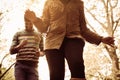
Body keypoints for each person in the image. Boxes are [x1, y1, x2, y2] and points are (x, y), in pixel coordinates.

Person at [24, 0, 114, 80]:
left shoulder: (78, 3)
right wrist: (34, 19)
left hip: (74, 39)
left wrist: (100, 38)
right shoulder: (49, 2)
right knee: (56, 75)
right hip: (52, 42)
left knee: (77, 65)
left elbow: (84, 29)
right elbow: (43, 27)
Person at [9, 14, 44, 80]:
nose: (28, 25)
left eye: (30, 23)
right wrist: (20, 46)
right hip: (20, 66)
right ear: (24, 21)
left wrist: (39, 53)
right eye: (26, 23)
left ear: (33, 22)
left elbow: (43, 51)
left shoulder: (39, 35)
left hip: (33, 66)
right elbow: (11, 51)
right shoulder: (18, 34)